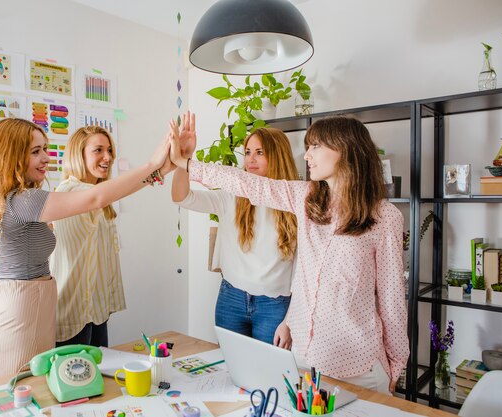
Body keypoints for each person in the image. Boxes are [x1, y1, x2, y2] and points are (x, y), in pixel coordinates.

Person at [169, 115, 409, 393]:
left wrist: (397, 362)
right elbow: (248, 184)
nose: (306, 154)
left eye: (315, 146)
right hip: (303, 355)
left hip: (358, 364)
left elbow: (392, 298)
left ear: (346, 149)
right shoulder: (305, 198)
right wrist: (186, 163)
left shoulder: (384, 217)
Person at [0, 118, 173, 377]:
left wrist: (9, 293)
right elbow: (96, 196)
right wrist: (153, 164)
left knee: (37, 390)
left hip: (23, 306)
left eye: (45, 149)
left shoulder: (5, 198)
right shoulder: (24, 200)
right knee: (22, 392)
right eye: (35, 152)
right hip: (24, 312)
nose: (46, 158)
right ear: (12, 155)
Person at [171, 112, 298, 347]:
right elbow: (182, 197)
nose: (251, 159)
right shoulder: (232, 197)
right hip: (232, 298)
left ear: (278, 157)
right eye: (248, 152)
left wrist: (290, 320)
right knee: (230, 369)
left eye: (260, 153)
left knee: (268, 374)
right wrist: (185, 160)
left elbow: (304, 272)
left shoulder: (295, 203)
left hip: (275, 304)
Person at [50, 126, 124, 348]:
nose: (107, 157)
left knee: (99, 377)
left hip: (95, 308)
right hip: (74, 311)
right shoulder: (70, 192)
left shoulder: (99, 197)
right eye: (98, 150)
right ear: (78, 154)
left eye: (109, 150)